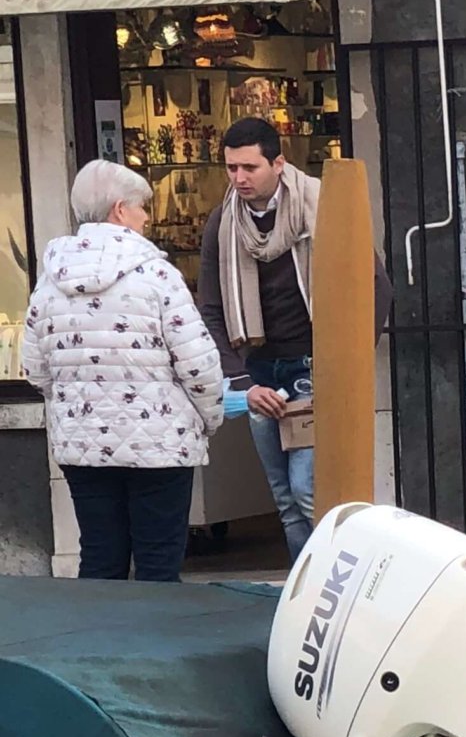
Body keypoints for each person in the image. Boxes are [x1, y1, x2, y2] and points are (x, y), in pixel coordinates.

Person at [22, 160, 227, 581]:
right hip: (159, 443)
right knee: (158, 561)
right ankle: (157, 644)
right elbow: (198, 363)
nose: (147, 218)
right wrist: (209, 417)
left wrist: (77, 402)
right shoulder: (157, 275)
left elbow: (34, 369)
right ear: (120, 210)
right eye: (142, 208)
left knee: (99, 556)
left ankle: (97, 643)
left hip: (83, 444)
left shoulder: (49, 281)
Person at [199, 115, 321, 558]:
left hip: (311, 365)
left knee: (307, 490)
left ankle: (331, 588)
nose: (239, 178)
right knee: (285, 500)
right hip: (259, 369)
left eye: (250, 168)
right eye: (231, 168)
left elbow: (371, 283)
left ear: (278, 164)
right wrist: (244, 382)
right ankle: (302, 595)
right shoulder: (222, 222)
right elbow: (210, 307)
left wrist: (346, 356)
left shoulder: (317, 206)